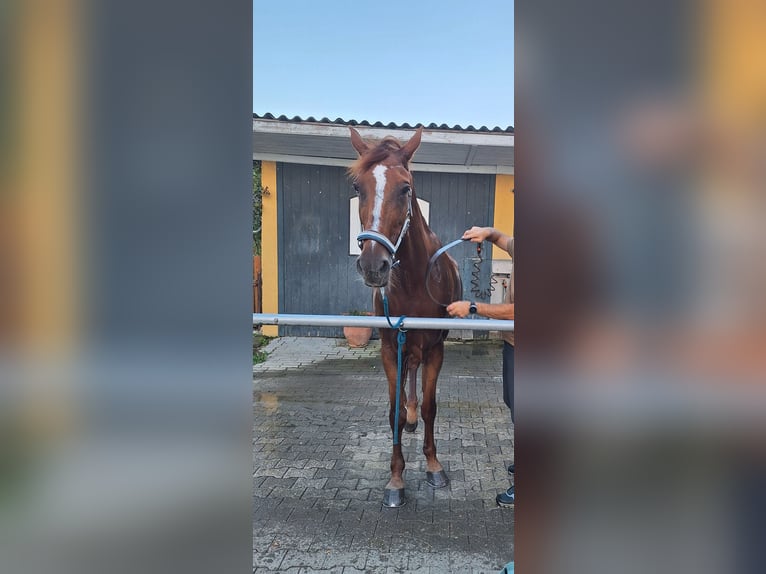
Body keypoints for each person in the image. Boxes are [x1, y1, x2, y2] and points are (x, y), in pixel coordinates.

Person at [446, 226, 515, 507]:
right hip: (513, 344)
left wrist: (473, 307)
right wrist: (488, 232)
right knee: (513, 402)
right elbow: (504, 240)